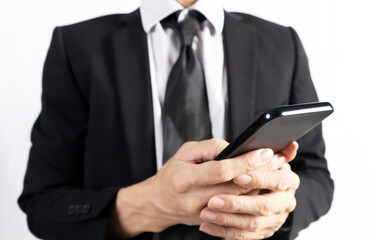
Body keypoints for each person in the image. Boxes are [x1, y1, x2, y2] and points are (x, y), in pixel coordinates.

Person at [18, 0, 334, 239]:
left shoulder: (282, 44)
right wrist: (145, 205)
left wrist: (282, 209)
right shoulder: (77, 46)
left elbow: (315, 175)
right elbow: (43, 204)